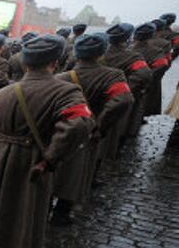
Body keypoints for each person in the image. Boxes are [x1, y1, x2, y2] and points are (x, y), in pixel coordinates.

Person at [0, 35, 94, 248]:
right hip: (32, 157)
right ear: (55, 62)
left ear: (25, 63)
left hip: (0, 153)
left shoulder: (2, 94)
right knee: (22, 208)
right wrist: (51, 158)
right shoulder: (66, 92)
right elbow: (79, 125)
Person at [50, 33, 134, 224]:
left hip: (59, 129)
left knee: (52, 166)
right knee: (78, 169)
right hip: (87, 131)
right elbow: (124, 99)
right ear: (101, 53)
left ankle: (45, 206)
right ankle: (62, 213)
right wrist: (100, 125)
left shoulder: (60, 78)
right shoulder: (113, 76)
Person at [102, 22, 152, 143]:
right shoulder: (133, 57)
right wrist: (124, 89)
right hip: (118, 99)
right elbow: (145, 75)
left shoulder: (99, 52)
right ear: (128, 38)